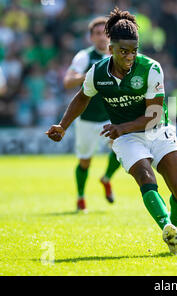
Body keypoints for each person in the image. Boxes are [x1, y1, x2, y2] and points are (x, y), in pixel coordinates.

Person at [46, 7, 177, 255]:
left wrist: (121, 126)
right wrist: (63, 125)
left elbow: (154, 115)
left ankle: (174, 227)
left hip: (156, 130)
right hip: (126, 137)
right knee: (146, 178)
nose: (129, 57)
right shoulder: (97, 72)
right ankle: (165, 226)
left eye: (133, 51)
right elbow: (82, 97)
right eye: (123, 51)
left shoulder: (151, 68)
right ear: (110, 48)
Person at [63, 16, 121, 212]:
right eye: (97, 33)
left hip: (110, 117)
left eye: (105, 32)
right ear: (91, 37)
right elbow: (68, 82)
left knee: (122, 151)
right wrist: (89, 75)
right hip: (87, 119)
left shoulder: (118, 56)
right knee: (85, 161)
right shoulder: (84, 57)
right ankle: (80, 197)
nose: (102, 37)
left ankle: (106, 179)